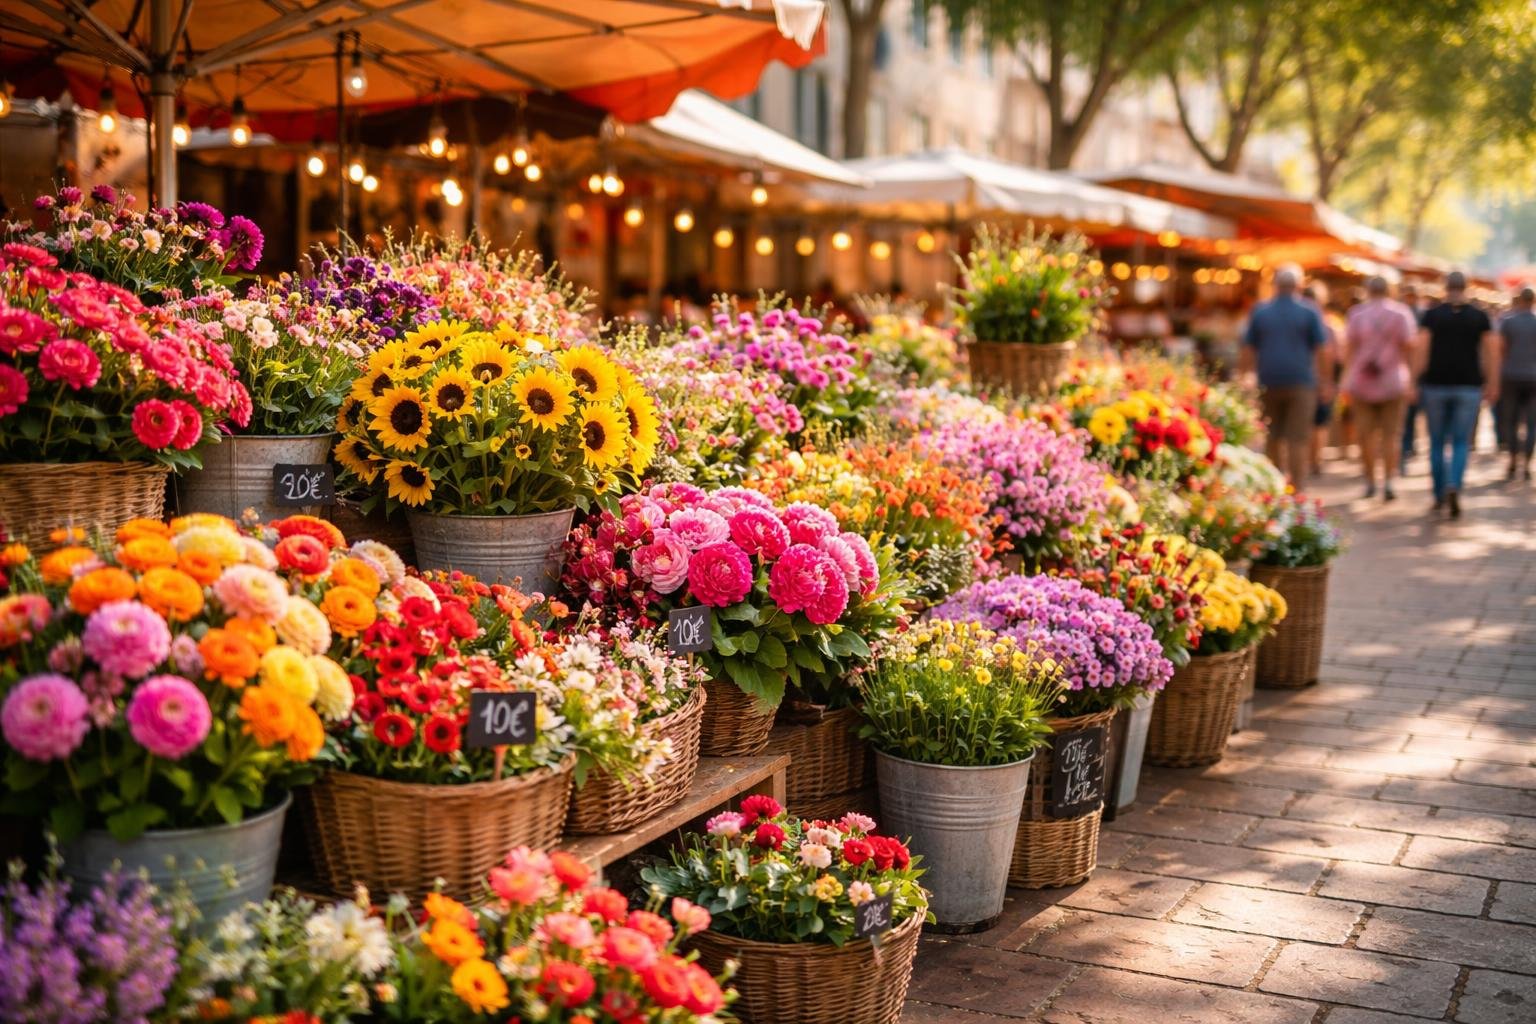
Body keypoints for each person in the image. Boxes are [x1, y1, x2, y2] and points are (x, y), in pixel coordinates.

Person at [1416, 271, 1501, 518]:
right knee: (1462, 441)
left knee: (1437, 442)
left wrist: (1413, 379)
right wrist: (1493, 382)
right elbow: (1491, 352)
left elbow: (1422, 348)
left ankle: (1438, 493)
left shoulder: (1432, 315)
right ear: (1467, 287)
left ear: (1445, 287)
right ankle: (1454, 483)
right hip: (1468, 385)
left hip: (1435, 384)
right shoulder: (1479, 316)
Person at [1240, 269, 1331, 485]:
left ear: (1275, 285)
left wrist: (1244, 375)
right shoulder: (1309, 312)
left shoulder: (1261, 311)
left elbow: (1247, 348)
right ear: (1299, 286)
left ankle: (1275, 486)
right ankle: (1296, 490)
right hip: (1301, 382)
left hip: (1268, 381)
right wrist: (1326, 381)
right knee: (1298, 439)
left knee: (1272, 437)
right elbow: (1322, 349)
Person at [1342, 277, 1417, 500]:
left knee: (1365, 435)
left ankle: (1370, 480)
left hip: (1362, 382)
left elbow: (1349, 349)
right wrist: (1411, 380)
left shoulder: (1356, 314)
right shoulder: (1401, 314)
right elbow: (1410, 348)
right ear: (1390, 290)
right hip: (1393, 381)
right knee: (1391, 435)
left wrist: (1344, 381)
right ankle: (1390, 480)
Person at [1303, 282, 1344, 477]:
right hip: (1315, 380)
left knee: (1313, 422)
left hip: (1307, 379)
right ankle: (1315, 460)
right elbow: (1338, 356)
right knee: (1318, 423)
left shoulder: (1325, 325)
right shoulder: (1329, 326)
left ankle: (1312, 459)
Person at [1498, 286, 1536, 481]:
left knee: (1511, 420)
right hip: (1532, 378)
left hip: (1511, 375)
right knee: (1531, 423)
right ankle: (1527, 463)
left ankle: (1513, 459)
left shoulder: (1508, 321)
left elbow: (1502, 349)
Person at [1399, 283, 1426, 465]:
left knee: (1412, 411)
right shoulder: (1400, 313)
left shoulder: (1422, 315)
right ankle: (1406, 445)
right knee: (1405, 413)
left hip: (1414, 370)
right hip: (1402, 370)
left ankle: (1409, 443)